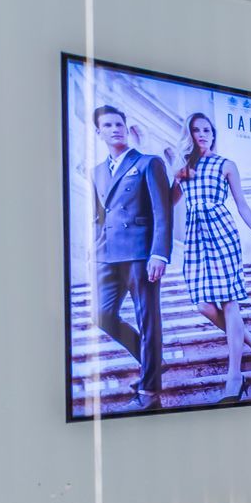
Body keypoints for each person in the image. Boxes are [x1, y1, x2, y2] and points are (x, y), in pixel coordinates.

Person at [169, 111, 251, 404]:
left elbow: (241, 204)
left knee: (230, 303)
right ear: (188, 135)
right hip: (195, 238)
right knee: (203, 305)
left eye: (206, 130)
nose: (202, 134)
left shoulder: (226, 164)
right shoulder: (184, 170)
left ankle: (234, 377)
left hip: (222, 232)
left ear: (213, 134)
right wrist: (174, 172)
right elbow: (167, 203)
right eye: (196, 130)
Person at [90, 104, 172, 410]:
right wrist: (93, 250)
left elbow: (162, 212)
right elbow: (98, 216)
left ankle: (150, 393)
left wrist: (159, 253)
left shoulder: (149, 163)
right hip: (107, 255)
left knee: (148, 319)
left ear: (126, 127)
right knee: (101, 315)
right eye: (108, 125)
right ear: (100, 133)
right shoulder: (97, 171)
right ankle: (152, 360)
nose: (116, 129)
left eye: (119, 124)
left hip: (140, 254)